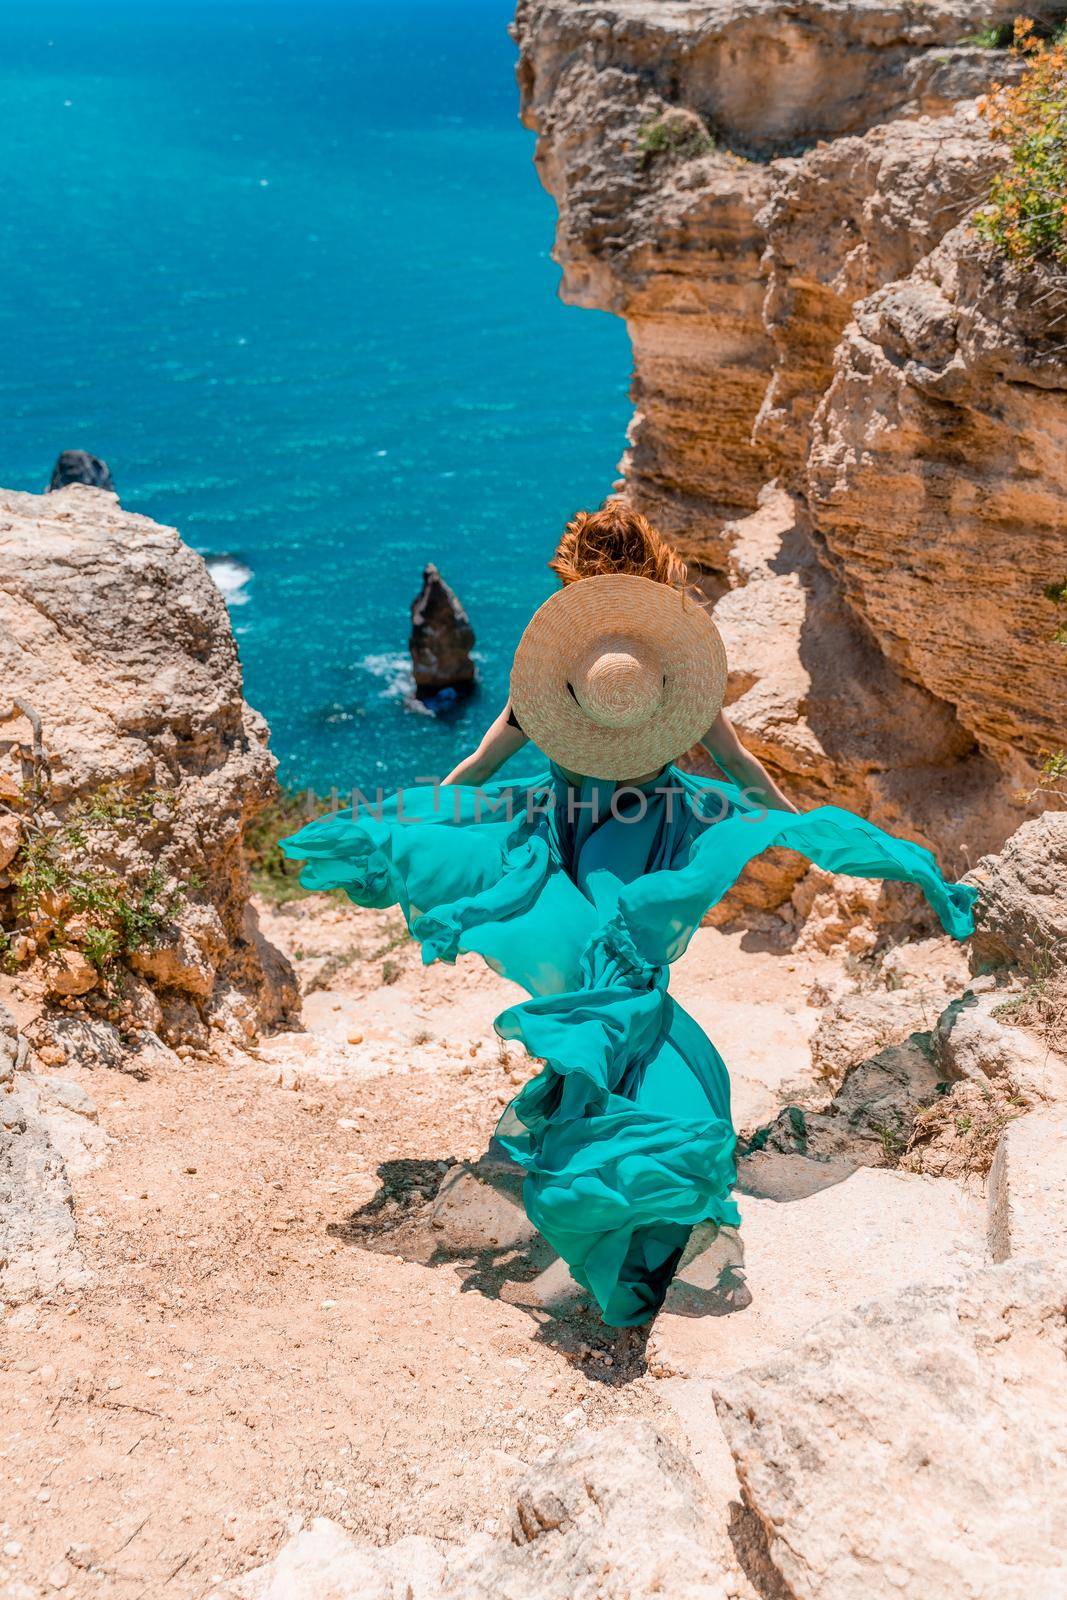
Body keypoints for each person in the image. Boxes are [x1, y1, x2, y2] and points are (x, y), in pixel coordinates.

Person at [280, 500, 976, 1330]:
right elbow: (734, 760)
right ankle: (616, 1213)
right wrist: (785, 822)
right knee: (611, 1014)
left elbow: (479, 763)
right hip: (646, 848)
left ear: (575, 579)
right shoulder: (667, 677)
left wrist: (417, 819)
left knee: (606, 1016)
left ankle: (611, 1223)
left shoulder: (559, 678)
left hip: (565, 844)